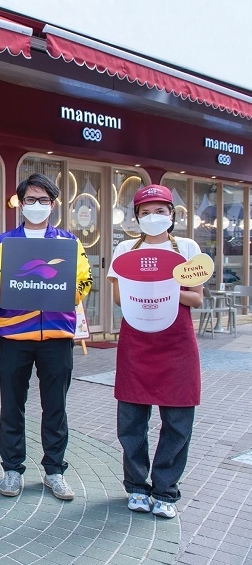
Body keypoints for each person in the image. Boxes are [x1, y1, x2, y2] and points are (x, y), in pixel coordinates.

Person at [0, 173, 92, 501]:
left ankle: (54, 471)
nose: (37, 205)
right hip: (14, 335)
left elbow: (84, 280)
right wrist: (12, 291)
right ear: (20, 203)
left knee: (55, 406)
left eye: (43, 200)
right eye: (30, 199)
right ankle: (12, 469)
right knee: (12, 405)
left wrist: (64, 292)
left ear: (53, 205)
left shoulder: (69, 243)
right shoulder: (4, 242)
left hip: (57, 335)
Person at [107, 184, 204, 519]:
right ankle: (136, 486)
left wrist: (161, 289)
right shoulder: (125, 249)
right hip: (136, 343)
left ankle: (165, 490)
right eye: (145, 212)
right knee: (131, 420)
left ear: (172, 214)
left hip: (177, 344)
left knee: (178, 421)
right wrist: (157, 289)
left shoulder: (187, 247)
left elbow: (196, 298)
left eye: (160, 211)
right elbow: (119, 298)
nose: (153, 217)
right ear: (136, 217)